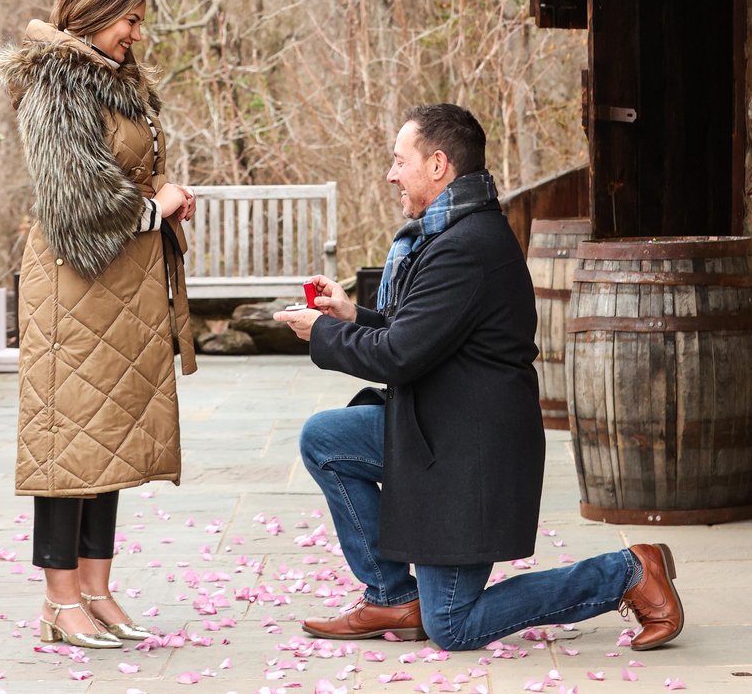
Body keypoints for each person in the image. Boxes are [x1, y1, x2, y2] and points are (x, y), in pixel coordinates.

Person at [275, 104, 684, 653]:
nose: (392, 174)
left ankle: (627, 572)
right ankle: (391, 596)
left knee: (454, 624)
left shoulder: (464, 247)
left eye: (400, 162)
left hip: (470, 455)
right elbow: (423, 332)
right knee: (326, 438)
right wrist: (352, 317)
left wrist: (320, 334)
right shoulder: (454, 234)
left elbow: (399, 356)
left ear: (439, 165)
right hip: (441, 430)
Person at [0, 0, 198, 650]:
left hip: (121, 291)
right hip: (77, 291)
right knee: (69, 444)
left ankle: (97, 590)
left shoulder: (115, 82)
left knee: (104, 440)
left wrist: (162, 198)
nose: (136, 34)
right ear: (94, 12)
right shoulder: (56, 84)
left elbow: (129, 168)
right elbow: (78, 212)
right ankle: (58, 601)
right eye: (129, 19)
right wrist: (156, 205)